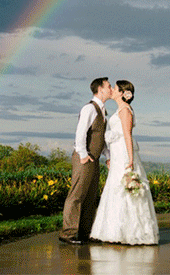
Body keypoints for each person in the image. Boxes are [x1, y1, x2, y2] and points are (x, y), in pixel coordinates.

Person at [90, 79, 160, 245]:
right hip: (116, 154)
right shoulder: (120, 109)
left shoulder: (125, 110)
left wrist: (130, 159)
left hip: (123, 153)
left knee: (124, 188)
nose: (112, 91)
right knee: (115, 188)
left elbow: (128, 135)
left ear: (122, 93)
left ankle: (132, 232)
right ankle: (114, 231)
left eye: (115, 88)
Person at [60, 77, 111, 244]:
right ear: (100, 89)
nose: (111, 89)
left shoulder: (103, 111)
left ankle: (85, 233)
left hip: (94, 158)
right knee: (76, 195)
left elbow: (101, 137)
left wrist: (108, 156)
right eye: (109, 86)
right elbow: (80, 133)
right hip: (84, 158)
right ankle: (68, 234)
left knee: (90, 196)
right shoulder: (89, 108)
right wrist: (83, 155)